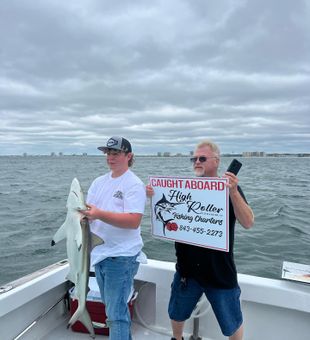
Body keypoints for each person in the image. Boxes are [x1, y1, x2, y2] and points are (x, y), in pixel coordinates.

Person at [147, 140, 254, 340]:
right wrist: (153, 195)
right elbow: (164, 212)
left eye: (202, 158)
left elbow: (248, 222)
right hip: (187, 271)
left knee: (232, 323)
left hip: (219, 271)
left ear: (216, 161)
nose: (197, 162)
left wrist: (232, 191)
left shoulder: (229, 189)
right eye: (194, 158)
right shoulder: (184, 190)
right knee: (177, 312)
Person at [81, 136, 146, 340]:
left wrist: (99, 214)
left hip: (121, 256)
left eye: (116, 153)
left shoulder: (134, 184)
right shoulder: (98, 182)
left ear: (129, 156)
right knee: (113, 310)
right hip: (99, 254)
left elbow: (134, 221)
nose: (110, 157)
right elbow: (88, 212)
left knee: (116, 315)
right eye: (108, 153)